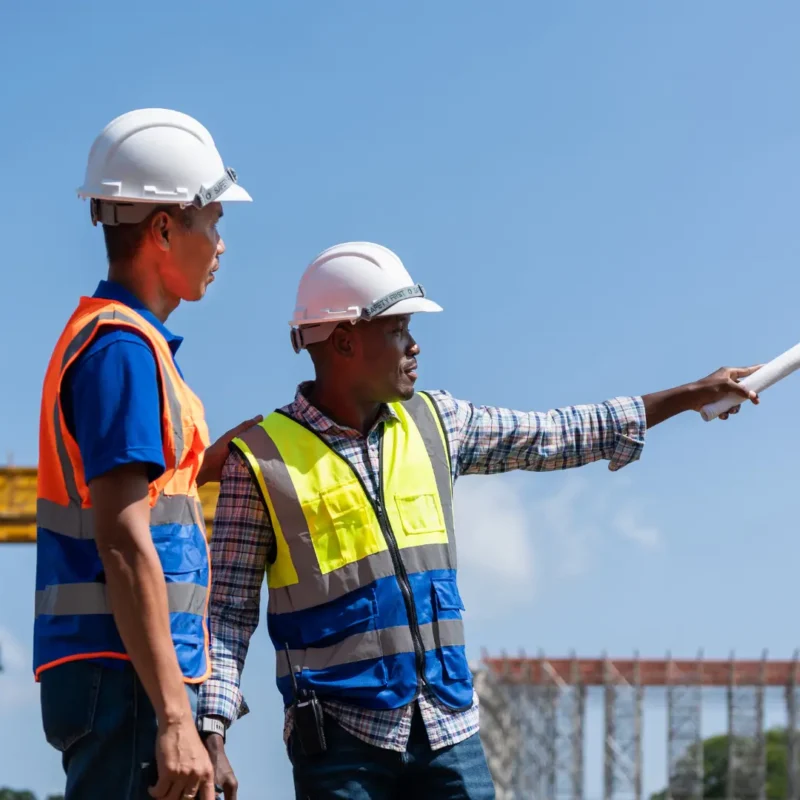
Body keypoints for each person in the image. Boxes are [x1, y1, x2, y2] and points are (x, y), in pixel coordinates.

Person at [196, 241, 758, 800]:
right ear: (344, 340)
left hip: (447, 728)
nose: (415, 346)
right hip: (342, 748)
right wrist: (212, 729)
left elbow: (557, 432)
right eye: (397, 331)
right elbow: (226, 614)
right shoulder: (262, 461)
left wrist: (688, 396)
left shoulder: (439, 422)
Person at [34, 108, 259, 800]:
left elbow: (160, 501)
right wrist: (172, 718)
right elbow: (126, 539)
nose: (221, 244)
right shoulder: (123, 351)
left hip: (135, 674)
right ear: (164, 227)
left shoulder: (130, 348)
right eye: (212, 221)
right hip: (126, 679)